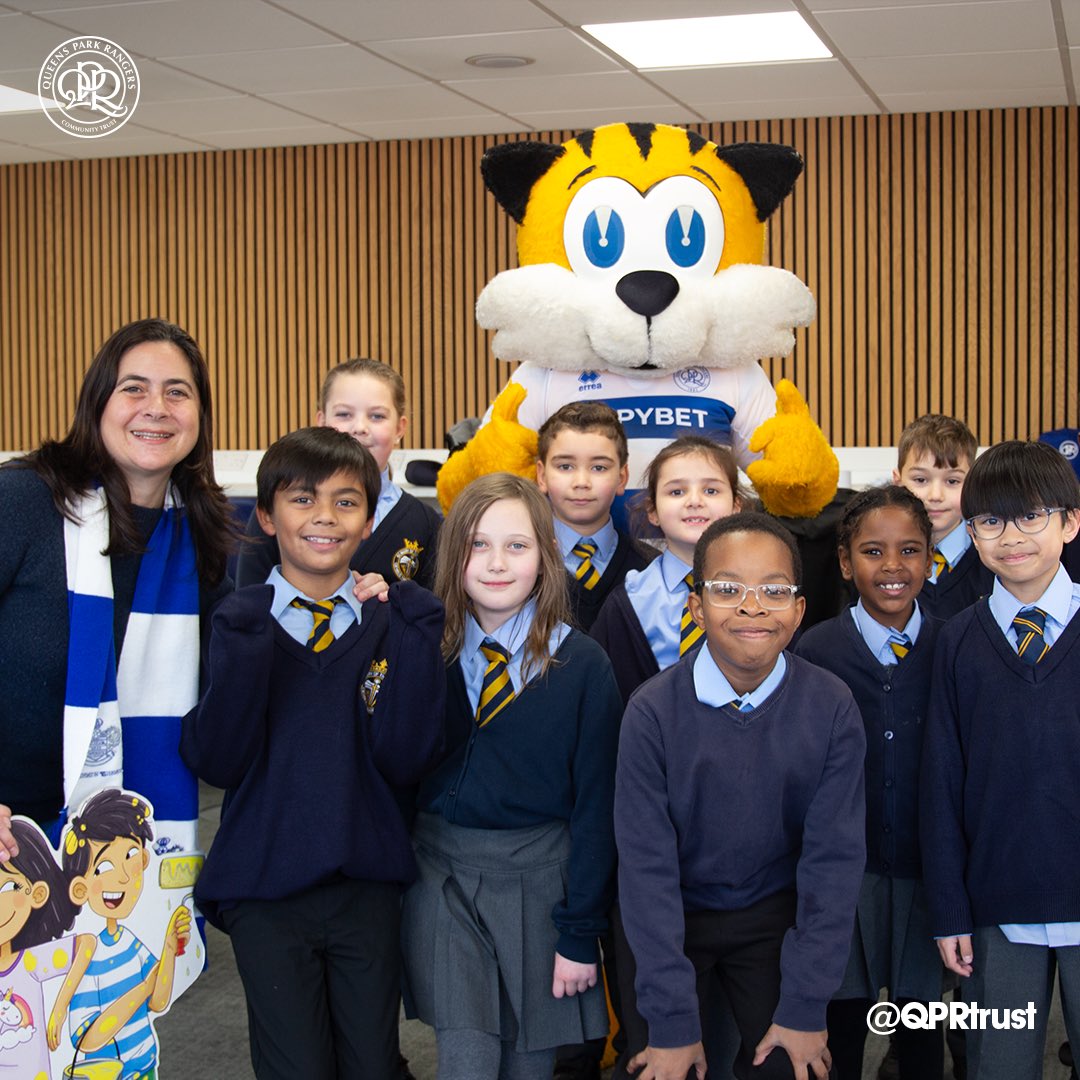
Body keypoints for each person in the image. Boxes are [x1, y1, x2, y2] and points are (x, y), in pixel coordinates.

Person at [180, 426, 446, 1080]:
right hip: (265, 888)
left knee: (373, 1064)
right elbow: (218, 758)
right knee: (296, 1067)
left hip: (367, 886)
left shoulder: (394, 621)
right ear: (267, 516)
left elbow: (407, 756)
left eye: (346, 501)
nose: (325, 516)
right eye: (303, 499)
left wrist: (414, 640)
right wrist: (247, 650)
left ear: (368, 521)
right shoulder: (240, 620)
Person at [613, 512, 866, 1080]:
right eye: (728, 590)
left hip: (773, 914)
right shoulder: (651, 713)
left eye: (774, 591)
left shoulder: (831, 706)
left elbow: (833, 863)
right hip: (672, 916)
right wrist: (672, 1023)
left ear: (799, 610)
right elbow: (646, 871)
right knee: (663, 1067)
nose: (752, 607)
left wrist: (804, 1006)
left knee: (793, 1066)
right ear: (696, 607)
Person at [402, 473, 623, 1080]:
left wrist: (580, 932)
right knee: (467, 1058)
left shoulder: (584, 665)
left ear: (545, 556)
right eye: (477, 545)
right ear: (453, 556)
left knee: (528, 1066)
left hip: (542, 885)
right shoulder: (426, 650)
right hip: (441, 876)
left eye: (517, 546)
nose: (496, 563)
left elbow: (598, 808)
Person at [0, 318, 237, 850]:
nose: (156, 408)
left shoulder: (199, 539)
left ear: (200, 416)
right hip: (9, 839)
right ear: (97, 403)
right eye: (134, 388)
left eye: (177, 392)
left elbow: (240, 679)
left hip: (123, 866)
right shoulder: (21, 501)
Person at [920, 439, 1080, 1080]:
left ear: (1070, 522)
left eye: (1031, 516)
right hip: (995, 910)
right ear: (971, 531)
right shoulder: (956, 641)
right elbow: (941, 783)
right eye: (990, 520)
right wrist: (949, 911)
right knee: (998, 1067)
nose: (1011, 536)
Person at [794, 486, 945, 1080]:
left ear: (930, 558)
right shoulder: (815, 651)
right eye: (873, 551)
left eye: (909, 550)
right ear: (844, 561)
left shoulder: (951, 646)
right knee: (843, 1028)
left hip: (926, 873)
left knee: (922, 1031)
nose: (892, 567)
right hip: (844, 878)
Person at [236, 357, 441, 590]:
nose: (359, 428)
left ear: (400, 428)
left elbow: (435, 606)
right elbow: (249, 597)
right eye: (344, 414)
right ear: (322, 422)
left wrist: (389, 601)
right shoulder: (281, 507)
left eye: (377, 416)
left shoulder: (425, 523)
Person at [48, 788, 190, 1079]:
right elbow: (87, 1039)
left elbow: (159, 1001)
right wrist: (142, 989)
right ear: (80, 888)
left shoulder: (130, 941)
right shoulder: (88, 957)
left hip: (146, 1069)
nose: (123, 876)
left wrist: (169, 946)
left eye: (130, 855)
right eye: (104, 867)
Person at [591, 435, 743, 702]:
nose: (694, 501)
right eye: (676, 492)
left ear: (735, 506)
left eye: (711, 491)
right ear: (652, 511)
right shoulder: (628, 602)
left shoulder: (765, 594)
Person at [536, 402, 657, 635]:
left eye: (599, 468)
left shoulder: (651, 569)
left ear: (622, 477)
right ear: (542, 476)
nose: (581, 482)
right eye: (565, 466)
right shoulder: (520, 564)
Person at [0, 818, 84, 1079]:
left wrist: (59, 1009)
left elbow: (84, 945)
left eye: (8, 887)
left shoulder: (28, 962)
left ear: (36, 894)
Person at [892, 414, 992, 620]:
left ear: (972, 483)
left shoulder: (994, 556)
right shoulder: (879, 558)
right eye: (921, 480)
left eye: (952, 481)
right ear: (898, 481)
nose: (936, 495)